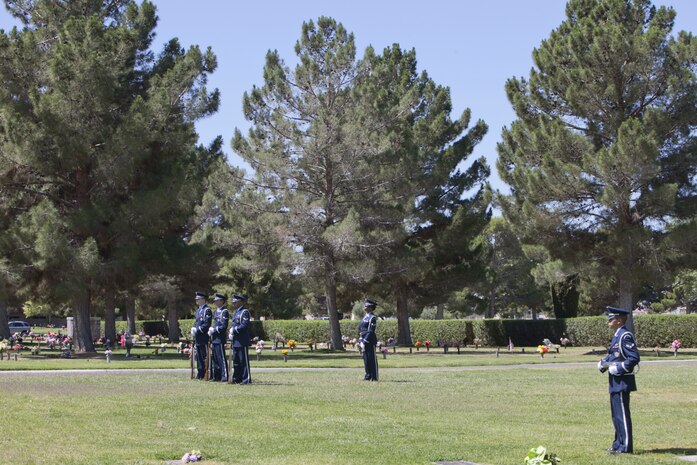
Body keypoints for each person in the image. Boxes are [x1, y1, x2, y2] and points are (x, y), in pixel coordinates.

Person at [598, 306, 640, 454]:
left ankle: (626, 447)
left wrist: (620, 368)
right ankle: (618, 444)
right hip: (615, 381)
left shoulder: (625, 336)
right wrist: (604, 363)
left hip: (622, 381)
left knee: (622, 415)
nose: (609, 321)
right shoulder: (617, 336)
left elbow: (633, 358)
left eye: (611, 319)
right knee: (616, 416)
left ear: (619, 320)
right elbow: (615, 355)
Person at [228, 294, 252, 384]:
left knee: (243, 361)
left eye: (235, 302)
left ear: (240, 302)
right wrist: (232, 333)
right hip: (236, 341)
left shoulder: (244, 312)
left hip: (242, 341)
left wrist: (234, 330)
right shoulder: (236, 312)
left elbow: (244, 326)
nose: (233, 304)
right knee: (236, 361)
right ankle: (237, 378)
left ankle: (246, 379)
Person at [208, 293, 230, 382]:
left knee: (221, 358)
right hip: (215, 338)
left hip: (220, 338)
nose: (215, 302)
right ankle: (217, 376)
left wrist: (215, 329)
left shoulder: (224, 311)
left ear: (222, 301)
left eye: (217, 300)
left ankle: (224, 375)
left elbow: (224, 326)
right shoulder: (217, 311)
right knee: (215, 358)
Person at [190, 291, 212, 380]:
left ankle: (206, 373)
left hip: (204, 337)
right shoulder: (199, 310)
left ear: (203, 300)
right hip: (198, 337)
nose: (197, 301)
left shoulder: (207, 310)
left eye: (198, 299)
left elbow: (206, 324)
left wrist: (198, 329)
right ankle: (200, 373)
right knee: (198, 357)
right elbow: (197, 322)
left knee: (204, 356)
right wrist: (194, 328)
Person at [358, 298, 379, 381]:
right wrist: (360, 340)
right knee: (366, 359)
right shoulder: (365, 317)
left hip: (369, 340)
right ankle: (368, 375)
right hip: (363, 340)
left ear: (370, 307)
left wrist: (365, 341)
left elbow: (371, 330)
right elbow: (361, 330)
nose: (364, 307)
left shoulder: (372, 318)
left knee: (372, 359)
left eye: (366, 305)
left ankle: (374, 377)